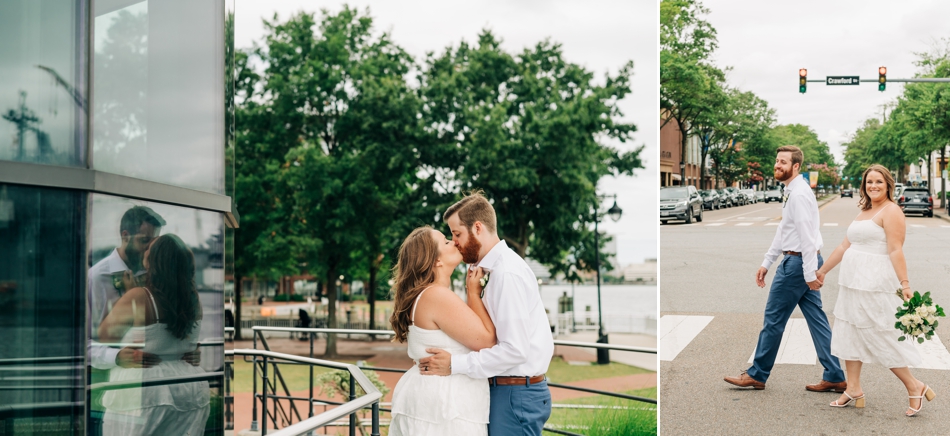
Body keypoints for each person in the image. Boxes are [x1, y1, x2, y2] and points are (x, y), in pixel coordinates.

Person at [419, 192, 554, 436]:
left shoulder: (506, 274)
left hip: (515, 395)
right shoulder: (480, 270)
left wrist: (455, 364)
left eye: (457, 233)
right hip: (503, 391)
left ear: (477, 228)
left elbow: (515, 349)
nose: (455, 241)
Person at [724, 145, 846, 392]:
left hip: (798, 263)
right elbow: (785, 230)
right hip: (801, 261)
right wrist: (767, 262)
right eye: (777, 161)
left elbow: (806, 236)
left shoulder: (799, 194)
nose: (777, 165)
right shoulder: (792, 191)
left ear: (796, 166)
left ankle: (757, 373)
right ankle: (834, 374)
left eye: (783, 162)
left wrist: (809, 273)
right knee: (817, 319)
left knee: (774, 319)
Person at [815, 164, 935, 416]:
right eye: (869, 182)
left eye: (878, 182)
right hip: (852, 283)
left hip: (875, 284)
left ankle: (915, 385)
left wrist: (905, 284)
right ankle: (854, 388)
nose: (873, 186)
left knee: (880, 336)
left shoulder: (891, 211)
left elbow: (895, 249)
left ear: (888, 184)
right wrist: (823, 270)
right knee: (850, 332)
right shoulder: (865, 210)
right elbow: (844, 245)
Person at [388, 226, 496, 435]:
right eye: (446, 242)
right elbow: (487, 341)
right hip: (445, 409)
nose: (454, 242)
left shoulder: (428, 295)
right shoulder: (436, 295)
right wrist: (474, 293)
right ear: (436, 260)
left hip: (437, 403)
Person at [97, 234, 210, 435]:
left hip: (147, 389)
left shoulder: (138, 296)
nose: (145, 250)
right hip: (189, 385)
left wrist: (129, 294)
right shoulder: (193, 298)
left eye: (149, 248)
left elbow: (105, 336)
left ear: (155, 260)